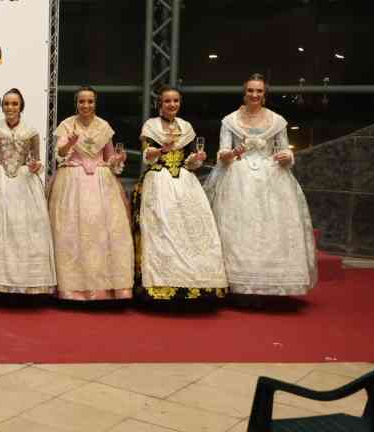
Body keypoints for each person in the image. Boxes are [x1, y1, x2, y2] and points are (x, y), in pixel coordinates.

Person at [205, 74, 315, 297]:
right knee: (238, 229)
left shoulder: (277, 120)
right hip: (237, 176)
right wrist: (232, 153)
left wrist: (286, 157)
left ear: (264, 94)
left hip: (271, 176)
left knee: (271, 229)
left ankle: (269, 284)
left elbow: (285, 151)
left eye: (259, 91)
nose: (254, 94)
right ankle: (237, 283)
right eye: (250, 90)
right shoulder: (229, 120)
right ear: (244, 93)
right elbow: (222, 154)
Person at [133, 85, 228, 301]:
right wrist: (161, 149)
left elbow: (189, 161)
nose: (172, 104)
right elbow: (147, 156)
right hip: (159, 180)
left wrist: (197, 158)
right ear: (160, 104)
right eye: (167, 101)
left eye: (175, 101)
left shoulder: (186, 127)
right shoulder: (151, 126)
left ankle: (197, 283)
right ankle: (160, 283)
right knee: (163, 230)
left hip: (184, 181)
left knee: (192, 229)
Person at [48, 86, 133, 301]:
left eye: (90, 101)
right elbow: (60, 154)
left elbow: (109, 158)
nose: (86, 105)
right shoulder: (67, 125)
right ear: (76, 103)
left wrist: (118, 159)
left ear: (95, 103)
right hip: (72, 180)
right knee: (71, 232)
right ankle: (72, 288)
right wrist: (69, 143)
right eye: (82, 101)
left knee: (102, 231)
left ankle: (105, 287)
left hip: (101, 182)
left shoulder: (104, 126)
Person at [0, 89, 56, 295]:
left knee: (26, 230)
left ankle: (27, 282)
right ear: (2, 106)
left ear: (21, 107)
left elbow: (36, 161)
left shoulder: (31, 132)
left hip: (24, 183)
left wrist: (35, 166)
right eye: (7, 103)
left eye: (14, 104)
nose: (10, 107)